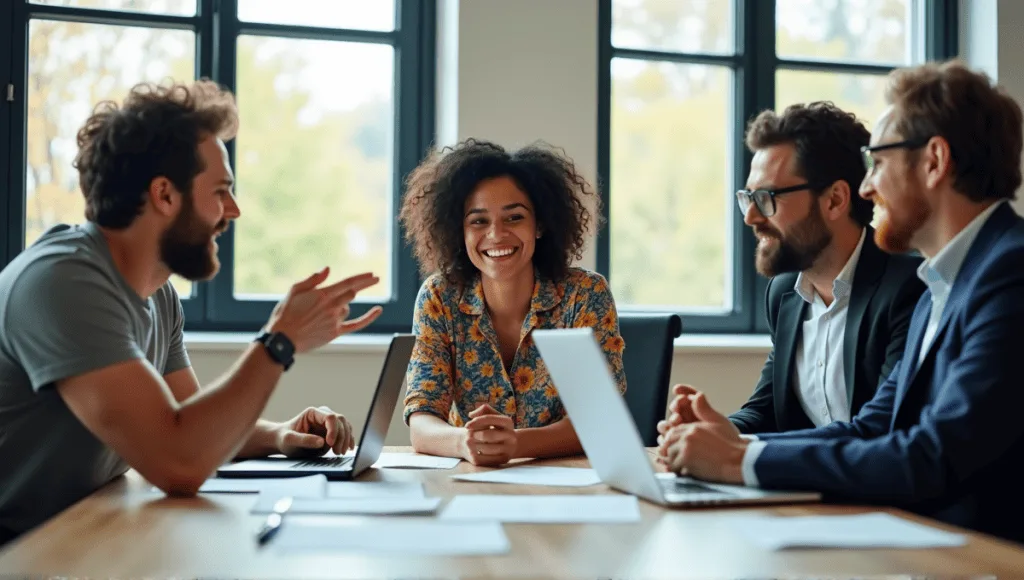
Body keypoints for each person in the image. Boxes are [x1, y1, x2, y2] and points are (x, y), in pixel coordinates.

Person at [656, 60, 1024, 543]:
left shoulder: (1009, 272)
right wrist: (734, 443)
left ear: (934, 161)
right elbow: (875, 427)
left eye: (880, 163)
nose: (867, 188)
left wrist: (737, 459)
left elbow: (935, 457)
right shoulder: (943, 281)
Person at [0, 80, 382, 544]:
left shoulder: (157, 296)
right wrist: (279, 341)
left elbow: (188, 424)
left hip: (81, 538)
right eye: (221, 191)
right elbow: (180, 461)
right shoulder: (63, 283)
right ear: (164, 195)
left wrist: (281, 436)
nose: (234, 210)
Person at [398, 139, 627, 467]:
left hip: (569, 488)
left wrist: (515, 444)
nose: (496, 234)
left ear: (540, 225)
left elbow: (599, 418)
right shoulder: (438, 297)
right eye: (478, 221)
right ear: (458, 231)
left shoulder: (586, 294)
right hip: (470, 483)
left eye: (514, 217)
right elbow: (422, 422)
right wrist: (464, 442)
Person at [705, 101, 924, 435]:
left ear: (835, 200)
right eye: (747, 198)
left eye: (766, 197)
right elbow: (766, 412)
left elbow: (880, 433)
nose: (750, 216)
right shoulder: (783, 294)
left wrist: (734, 455)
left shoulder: (908, 291)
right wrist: (713, 432)